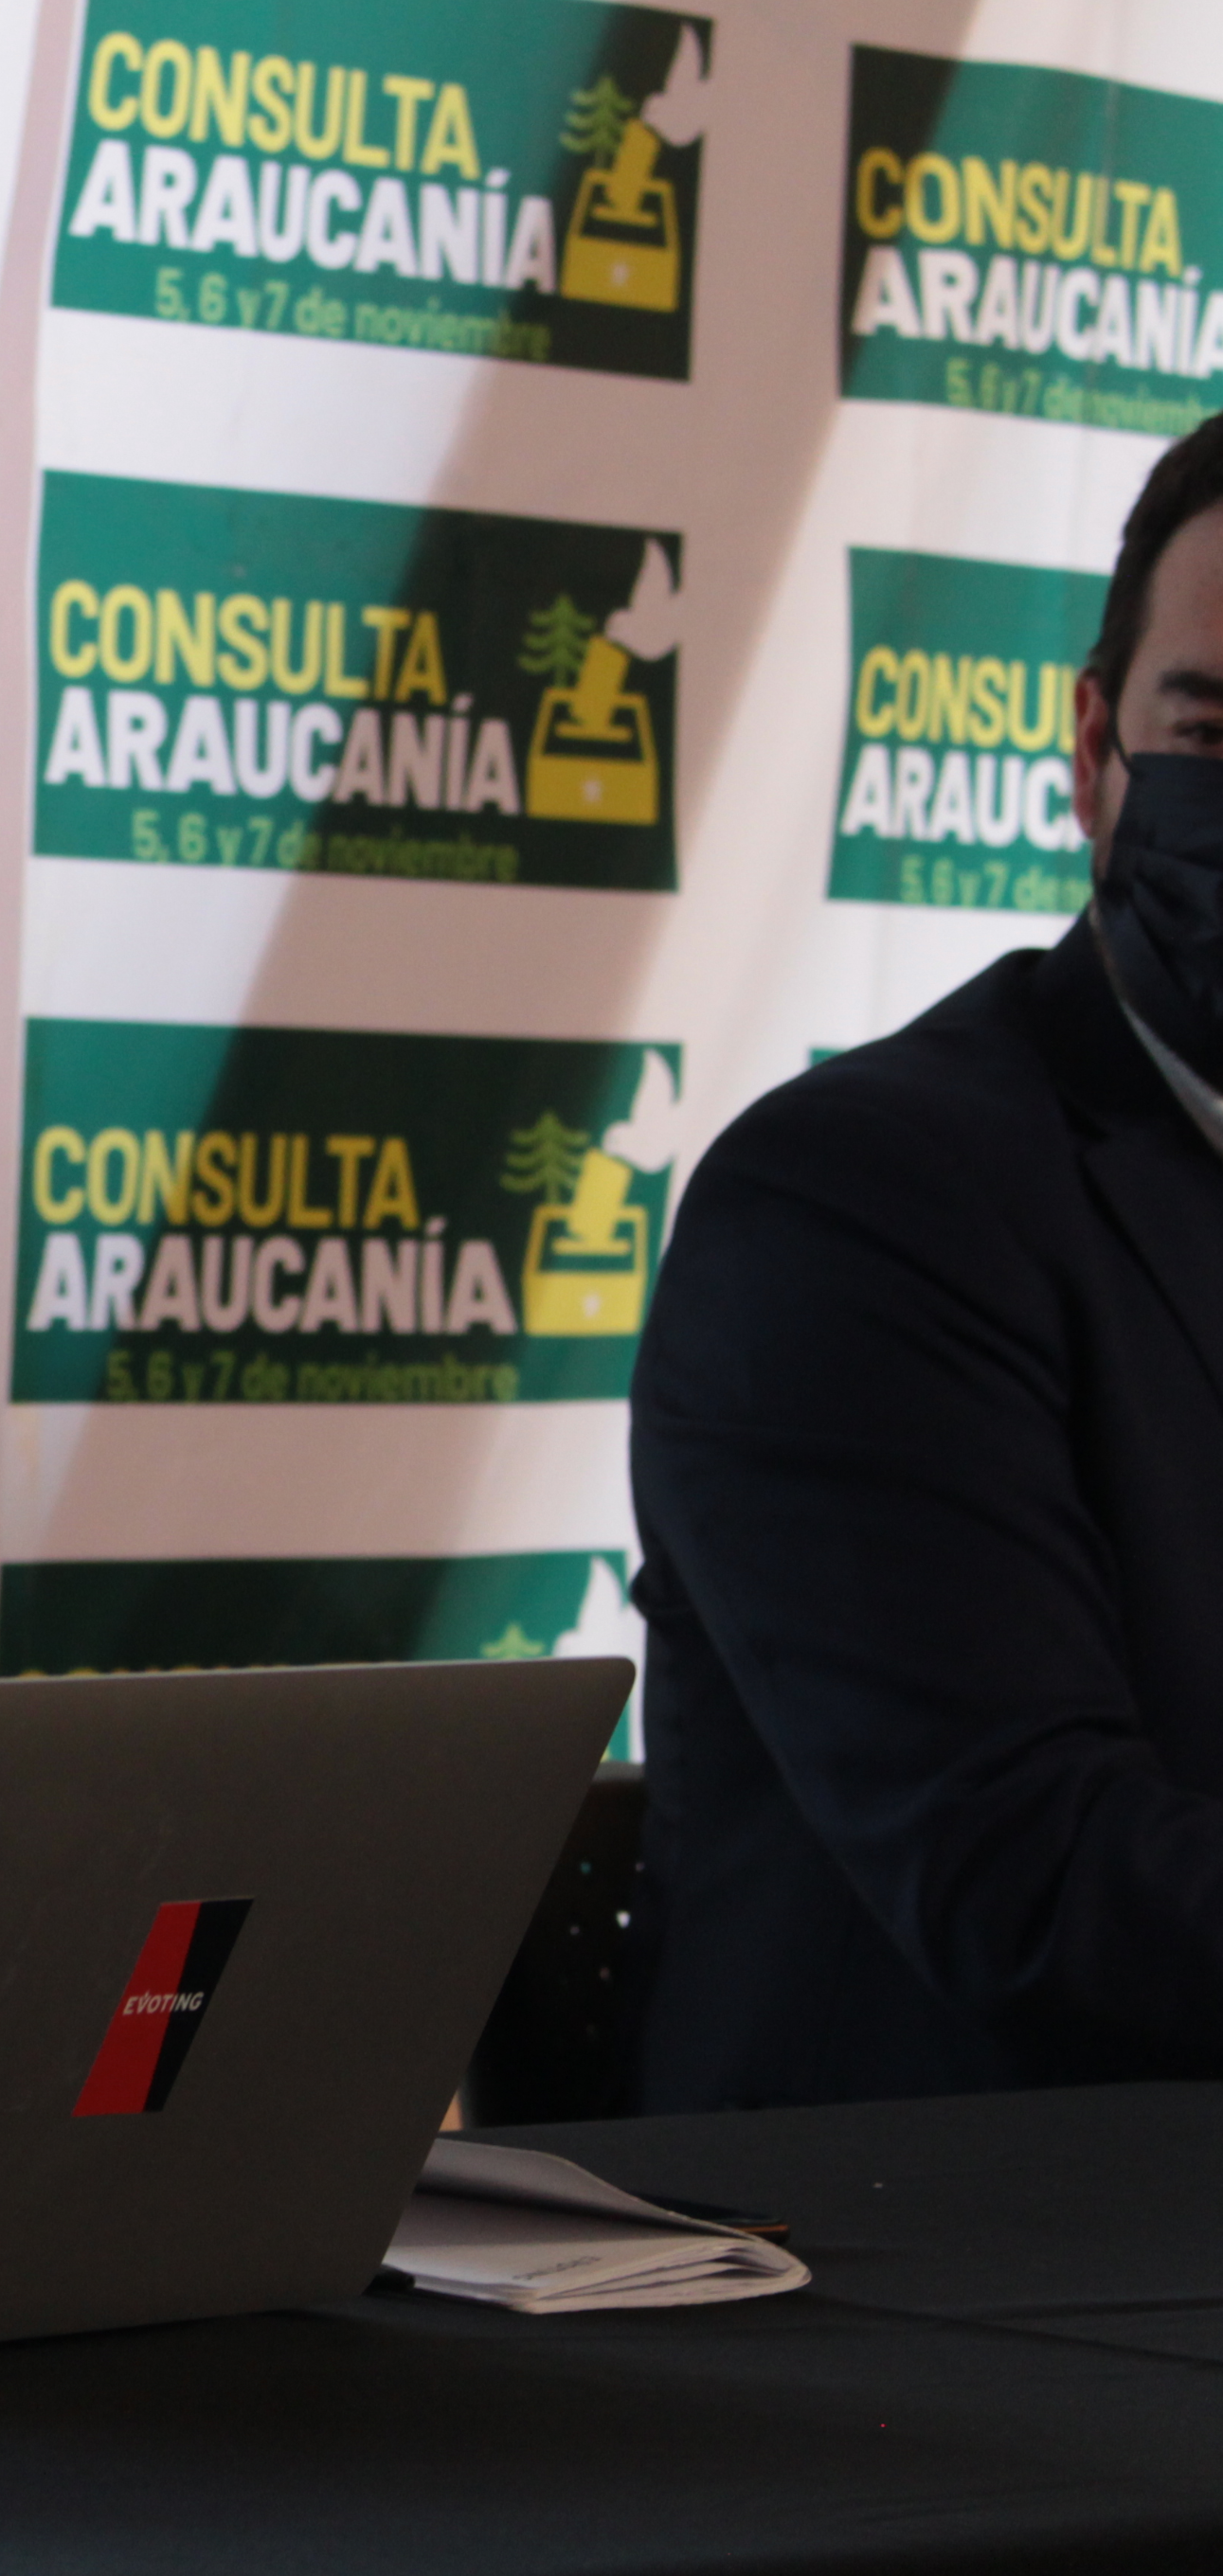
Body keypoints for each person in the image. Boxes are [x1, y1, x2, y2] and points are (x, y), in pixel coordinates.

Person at [632, 412, 1223, 2110]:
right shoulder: (858, 1205)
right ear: (1095, 749)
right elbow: (1044, 1891)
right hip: (944, 2299)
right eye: (1221, 724)